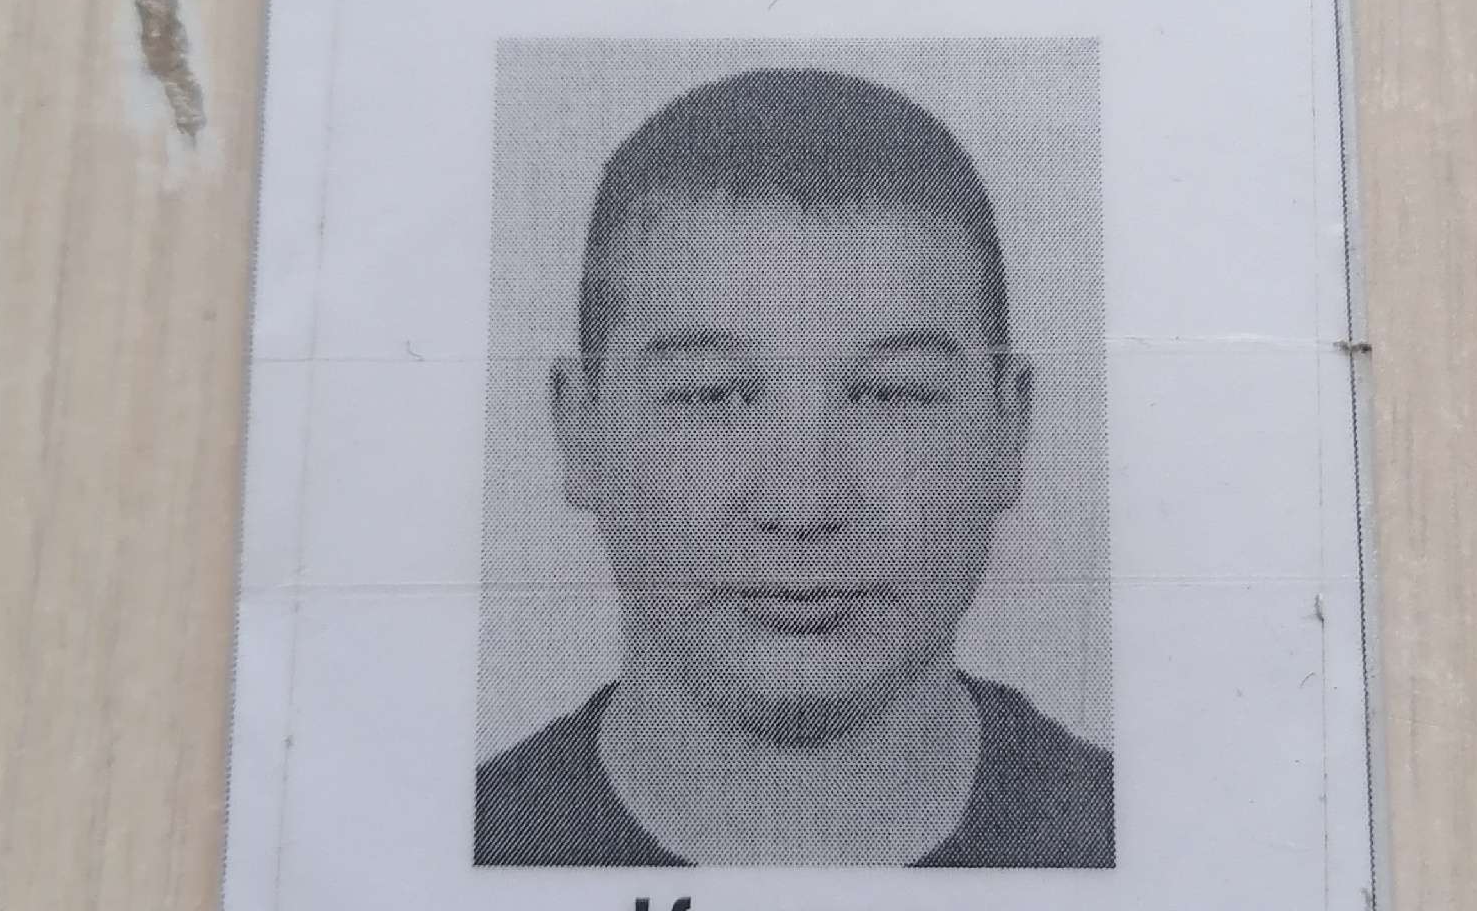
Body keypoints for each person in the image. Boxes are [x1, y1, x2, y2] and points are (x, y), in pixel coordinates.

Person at [476, 66, 1113, 867]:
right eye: (713, 397)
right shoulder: (461, 858)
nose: (804, 504)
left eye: (891, 395)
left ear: (1007, 430)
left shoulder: (1134, 847)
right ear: (580, 430)